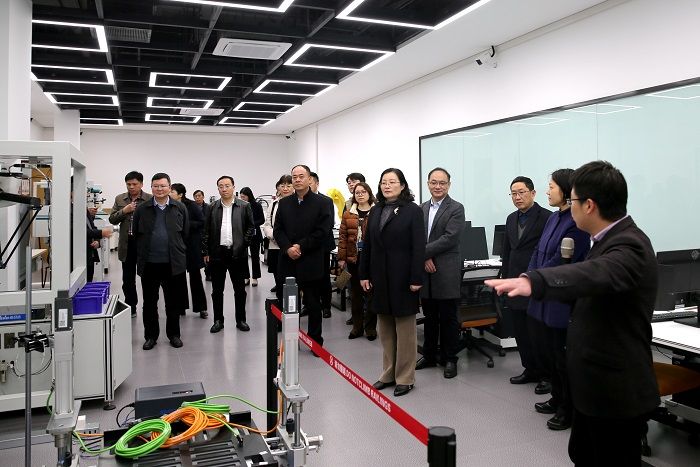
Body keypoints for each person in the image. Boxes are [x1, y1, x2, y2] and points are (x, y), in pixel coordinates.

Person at [486, 161, 660, 466]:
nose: (570, 205)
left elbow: (594, 274)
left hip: (615, 391)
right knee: (582, 453)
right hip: (593, 386)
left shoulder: (629, 245)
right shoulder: (603, 241)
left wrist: (535, 281)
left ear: (589, 205)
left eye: (574, 199)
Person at [525, 169, 590, 431]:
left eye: (551, 186)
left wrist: (536, 278)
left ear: (566, 190)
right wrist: (530, 275)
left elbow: (562, 260)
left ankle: (568, 409)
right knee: (551, 353)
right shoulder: (554, 218)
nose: (547, 191)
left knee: (563, 357)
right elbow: (538, 250)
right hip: (544, 293)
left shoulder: (576, 222)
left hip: (561, 297)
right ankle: (557, 397)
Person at [359, 168, 425, 397]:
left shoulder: (413, 211)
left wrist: (416, 277)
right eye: (383, 182)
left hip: (403, 277)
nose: (387, 186)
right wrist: (364, 274)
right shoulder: (376, 210)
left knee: (405, 329)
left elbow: (419, 247)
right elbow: (368, 244)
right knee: (385, 328)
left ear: (402, 185)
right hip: (380, 276)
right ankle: (388, 373)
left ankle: (405, 377)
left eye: (392, 182)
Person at [274, 165, 333, 349]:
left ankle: (316, 341)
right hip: (288, 261)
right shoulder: (284, 203)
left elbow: (323, 231)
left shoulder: (323, 202)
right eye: (294, 177)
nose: (297, 180)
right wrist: (287, 248)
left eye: (301, 176)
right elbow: (278, 230)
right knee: (289, 305)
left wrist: (300, 246)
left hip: (311, 260)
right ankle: (291, 341)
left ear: (309, 179)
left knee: (313, 304)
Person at [501, 176, 551, 393]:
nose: (517, 197)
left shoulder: (547, 217)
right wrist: (505, 280)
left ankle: (546, 375)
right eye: (513, 193)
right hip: (515, 281)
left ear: (533, 193)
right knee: (520, 330)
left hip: (535, 281)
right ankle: (529, 369)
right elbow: (507, 251)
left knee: (538, 332)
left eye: (521, 192)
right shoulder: (511, 218)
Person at [416, 168, 465, 379]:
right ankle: (429, 355)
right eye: (434, 182)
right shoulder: (421, 208)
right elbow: (417, 237)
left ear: (449, 185)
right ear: (428, 183)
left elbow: (450, 238)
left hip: (446, 270)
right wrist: (424, 258)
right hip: (425, 271)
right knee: (429, 316)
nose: (438, 186)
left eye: (442, 183)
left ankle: (450, 358)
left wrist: (422, 254)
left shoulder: (456, 208)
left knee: (448, 317)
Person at [132, 173, 189, 350]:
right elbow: (136, 235)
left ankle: (174, 335)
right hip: (149, 264)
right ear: (151, 188)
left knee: (173, 302)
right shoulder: (142, 209)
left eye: (163, 186)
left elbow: (185, 233)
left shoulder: (179, 208)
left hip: (173, 264)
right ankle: (150, 336)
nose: (159, 189)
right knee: (149, 303)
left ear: (169, 187)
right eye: (156, 186)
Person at [202, 176, 255, 333]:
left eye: (227, 185)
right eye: (221, 186)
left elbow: (251, 227)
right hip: (217, 253)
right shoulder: (212, 207)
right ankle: (218, 320)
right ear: (218, 188)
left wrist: (243, 244)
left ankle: (241, 320)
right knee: (217, 290)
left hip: (237, 253)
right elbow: (206, 231)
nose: (224, 189)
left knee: (240, 290)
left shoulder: (244, 206)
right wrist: (206, 251)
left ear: (233, 187)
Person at [109, 171, 152, 317]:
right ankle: (131, 306)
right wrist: (124, 211)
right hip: (127, 245)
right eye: (129, 184)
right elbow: (112, 219)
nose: (131, 187)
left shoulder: (149, 199)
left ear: (141, 184)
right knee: (128, 280)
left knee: (147, 279)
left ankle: (148, 306)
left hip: (144, 245)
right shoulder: (120, 198)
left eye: (135, 184)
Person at [337, 181, 377, 340]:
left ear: (369, 193)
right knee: (355, 295)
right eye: (357, 192)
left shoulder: (376, 212)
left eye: (363, 192)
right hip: (353, 259)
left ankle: (371, 328)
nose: (360, 195)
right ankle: (357, 327)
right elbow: (342, 237)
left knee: (371, 294)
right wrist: (341, 258)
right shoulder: (348, 213)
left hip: (371, 259)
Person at [170, 183, 208, 319]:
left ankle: (201, 307)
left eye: (172, 191)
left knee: (195, 277)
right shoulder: (169, 206)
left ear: (180, 194)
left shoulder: (192, 206)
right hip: (176, 247)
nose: (169, 193)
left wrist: (185, 223)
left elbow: (202, 222)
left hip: (192, 246)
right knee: (178, 278)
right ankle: (181, 307)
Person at [308, 171, 336, 319]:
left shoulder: (326, 200)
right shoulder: (300, 201)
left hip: (322, 245)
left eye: (310, 182)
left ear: (317, 183)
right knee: (308, 278)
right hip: (306, 247)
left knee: (324, 277)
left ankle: (326, 306)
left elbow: (328, 223)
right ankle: (309, 305)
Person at [263, 175, 293, 294]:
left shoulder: (298, 202)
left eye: (288, 185)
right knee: (277, 272)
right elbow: (267, 224)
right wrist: (274, 236)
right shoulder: (274, 203)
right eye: (282, 185)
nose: (285, 188)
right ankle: (280, 291)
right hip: (275, 244)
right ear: (278, 187)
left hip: (291, 245)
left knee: (291, 275)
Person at [239, 187, 264, 287]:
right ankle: (246, 277)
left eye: (244, 197)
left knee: (255, 257)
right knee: (243, 257)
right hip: (243, 235)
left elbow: (262, 220)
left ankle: (255, 277)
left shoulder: (257, 205)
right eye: (241, 197)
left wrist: (252, 224)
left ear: (249, 196)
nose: (242, 198)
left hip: (255, 235)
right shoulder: (240, 206)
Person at [86, 207, 112, 282]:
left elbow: (93, 228)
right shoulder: (71, 210)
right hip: (81, 256)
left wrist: (97, 241)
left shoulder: (85, 211)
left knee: (89, 281)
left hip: (90, 256)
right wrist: (101, 233)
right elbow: (80, 231)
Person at [193, 189, 211, 281]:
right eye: (195, 196)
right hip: (195, 234)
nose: (197, 198)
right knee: (196, 256)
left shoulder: (208, 207)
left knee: (207, 255)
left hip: (206, 234)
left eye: (199, 196)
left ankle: (208, 273)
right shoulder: (191, 208)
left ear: (203, 197)